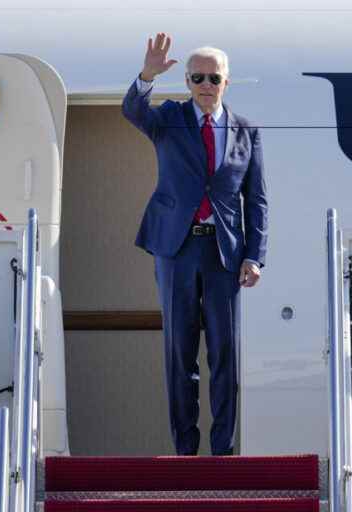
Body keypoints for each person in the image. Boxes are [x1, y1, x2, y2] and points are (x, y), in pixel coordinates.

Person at [122, 33, 267, 456]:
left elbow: (256, 199)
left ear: (226, 82)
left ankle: (223, 448)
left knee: (225, 351)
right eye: (197, 77)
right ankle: (186, 448)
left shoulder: (246, 130)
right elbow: (133, 110)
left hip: (224, 253)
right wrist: (147, 74)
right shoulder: (168, 118)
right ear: (187, 81)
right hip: (177, 248)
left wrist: (255, 255)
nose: (206, 85)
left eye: (214, 78)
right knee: (179, 351)